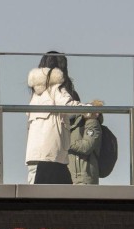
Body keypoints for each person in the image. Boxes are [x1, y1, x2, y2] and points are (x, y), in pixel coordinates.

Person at [26, 52, 94, 184]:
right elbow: (69, 106)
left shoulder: (36, 93)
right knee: (62, 194)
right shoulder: (56, 88)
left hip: (34, 153)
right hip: (52, 154)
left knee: (34, 192)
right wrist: (91, 108)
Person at [67, 99, 105, 185]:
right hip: (75, 177)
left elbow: (86, 147)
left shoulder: (93, 124)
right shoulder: (78, 124)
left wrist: (66, 142)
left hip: (84, 177)